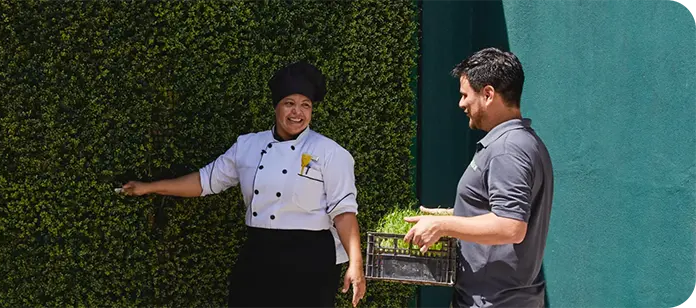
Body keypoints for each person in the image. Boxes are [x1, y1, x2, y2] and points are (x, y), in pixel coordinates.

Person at [121, 61, 366, 308]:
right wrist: (150, 187)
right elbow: (205, 181)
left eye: (306, 105)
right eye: (289, 103)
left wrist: (355, 264)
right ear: (276, 106)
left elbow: (343, 212)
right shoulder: (248, 146)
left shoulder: (330, 153)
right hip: (259, 252)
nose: (297, 112)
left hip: (310, 259)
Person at [403, 47, 554, 308]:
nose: (461, 104)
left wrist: (442, 226)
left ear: (488, 94)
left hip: (493, 302)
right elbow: (501, 209)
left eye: (465, 95)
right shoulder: (522, 141)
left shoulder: (507, 150)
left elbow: (511, 226)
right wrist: (455, 214)